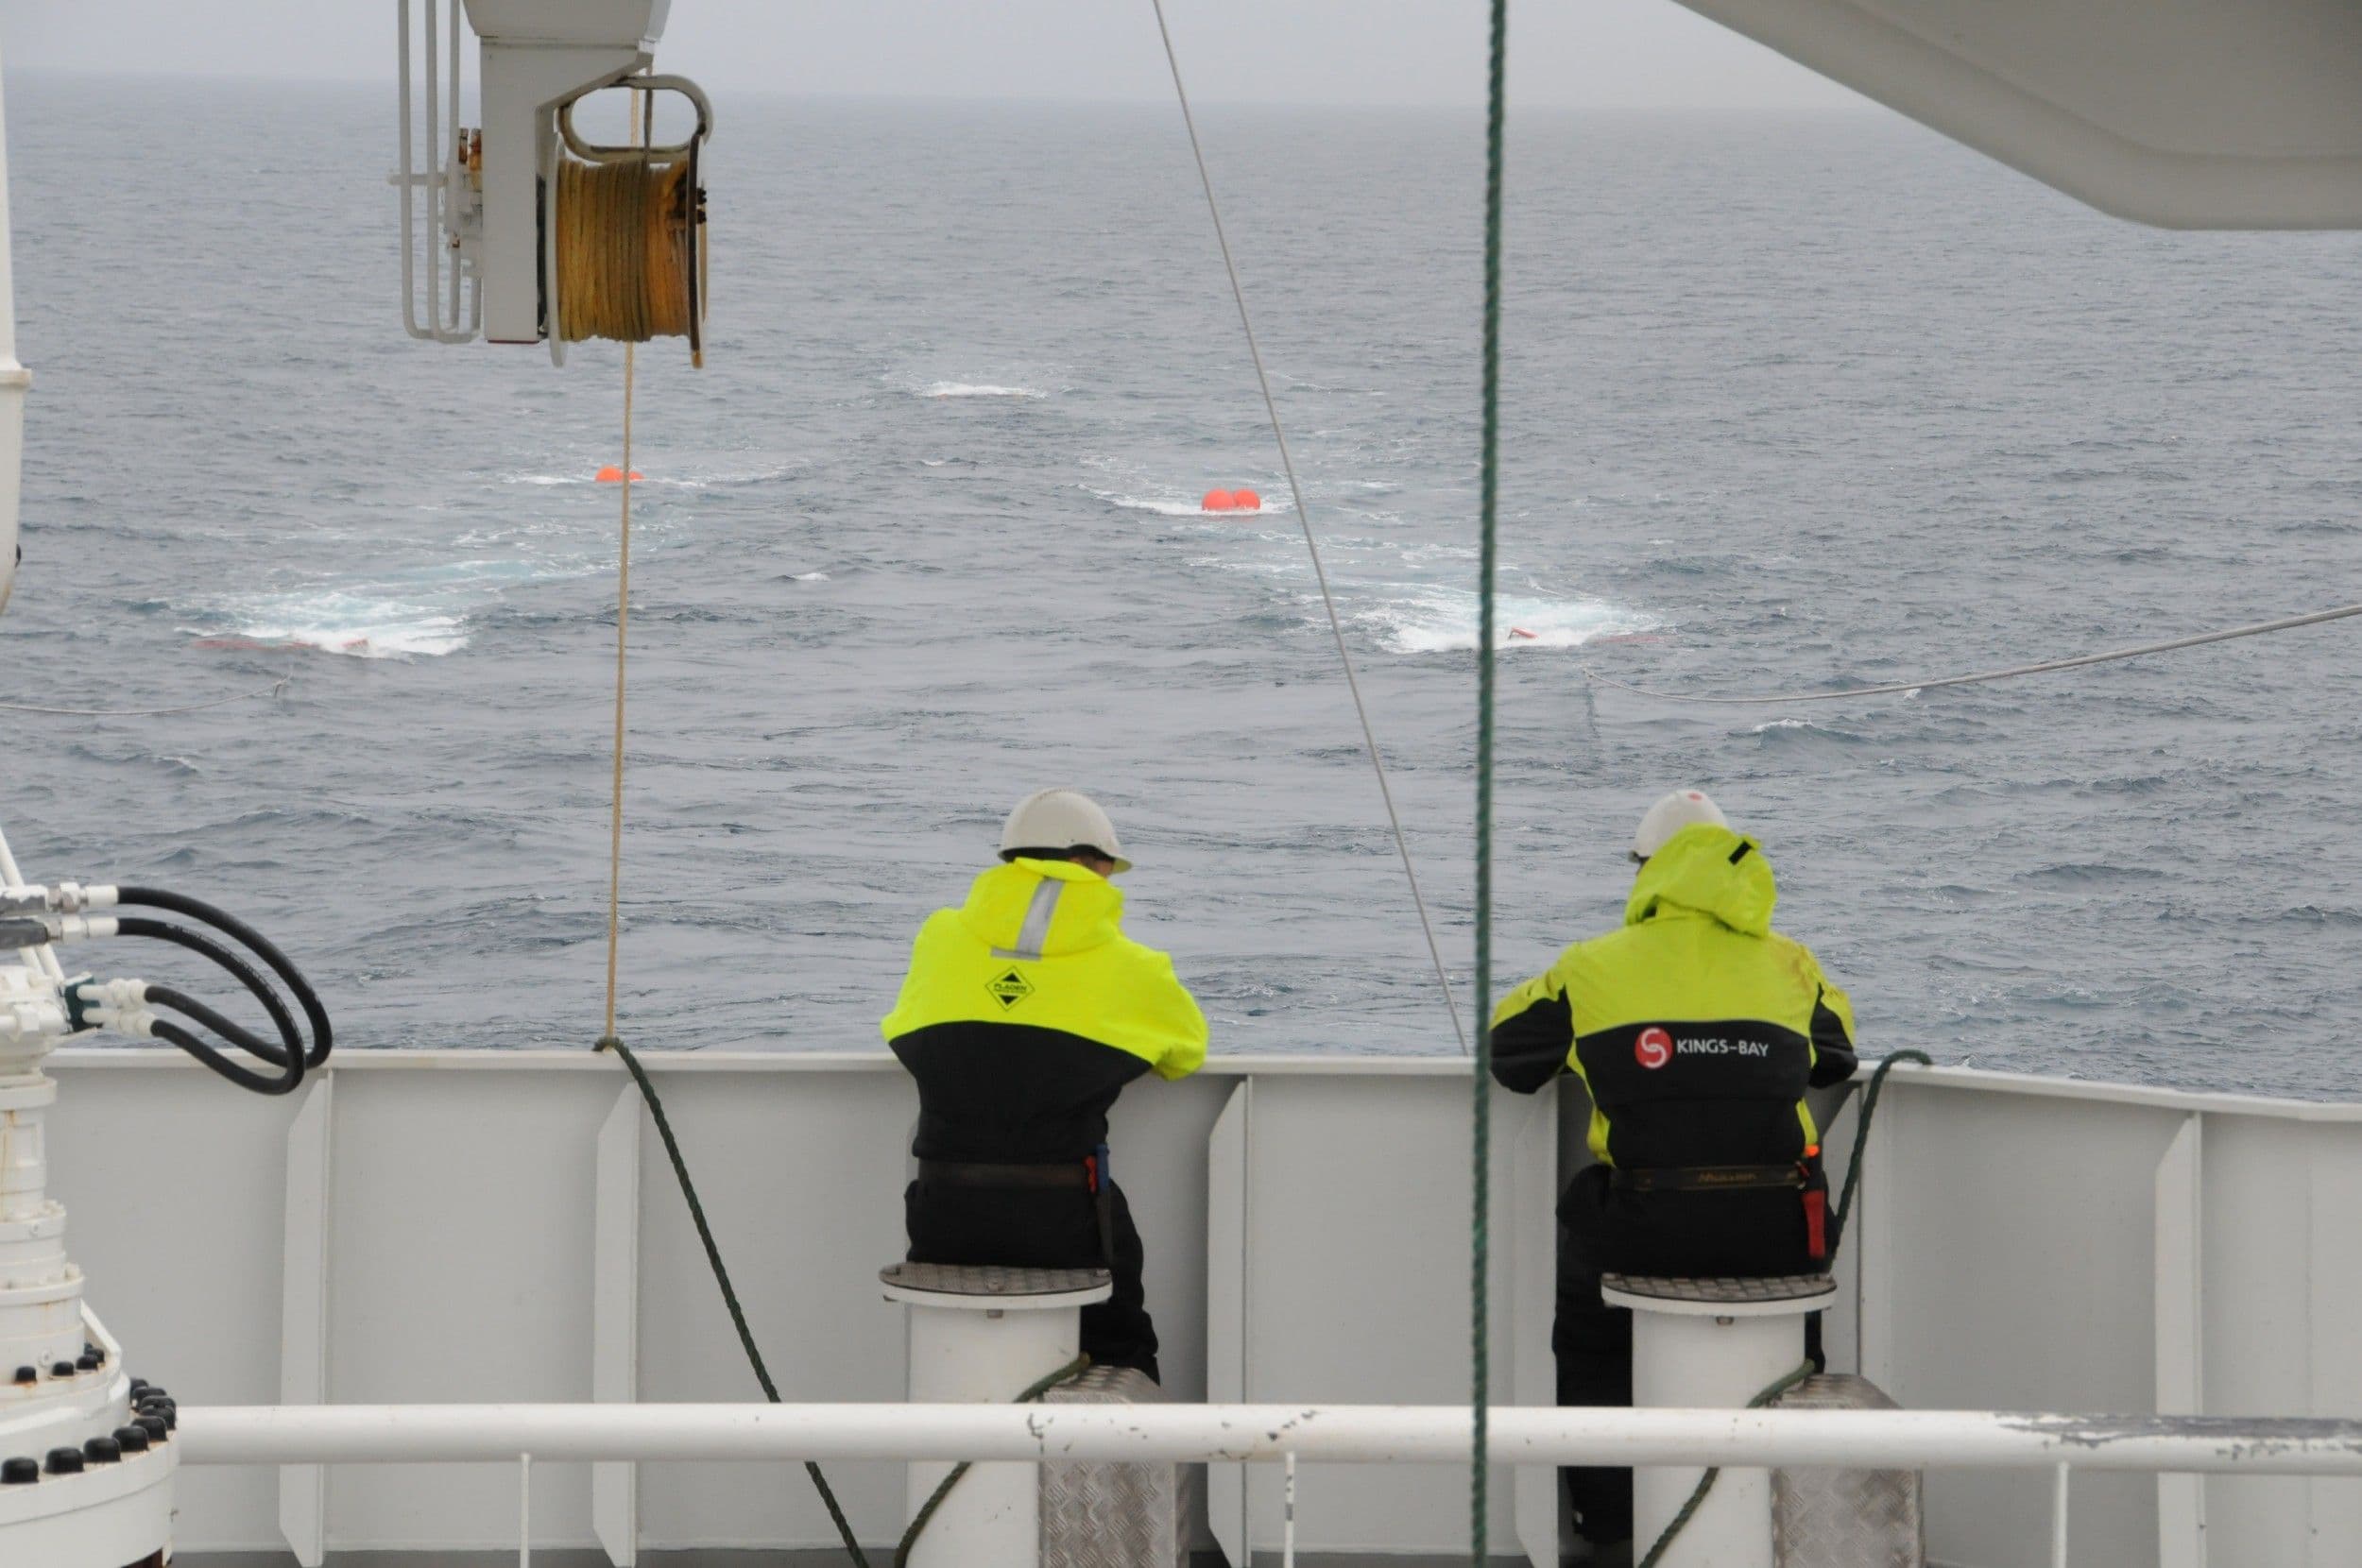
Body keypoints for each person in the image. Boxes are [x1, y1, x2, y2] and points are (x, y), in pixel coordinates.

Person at [1489, 789, 1858, 1555]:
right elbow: (1836, 1058)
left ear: (1647, 874)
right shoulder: (1792, 963)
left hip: (1645, 1228)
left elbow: (1511, 1057)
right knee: (1800, 1358)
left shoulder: (1591, 967)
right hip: (1776, 1233)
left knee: (1591, 1352)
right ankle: (1784, 1529)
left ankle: (1612, 1531)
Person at [881, 786, 1207, 1381]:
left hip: (940, 1220)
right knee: (1123, 1346)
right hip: (1062, 1225)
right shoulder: (1137, 969)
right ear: (1086, 864)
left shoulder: (938, 938)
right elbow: (1186, 1054)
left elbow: (904, 1029)